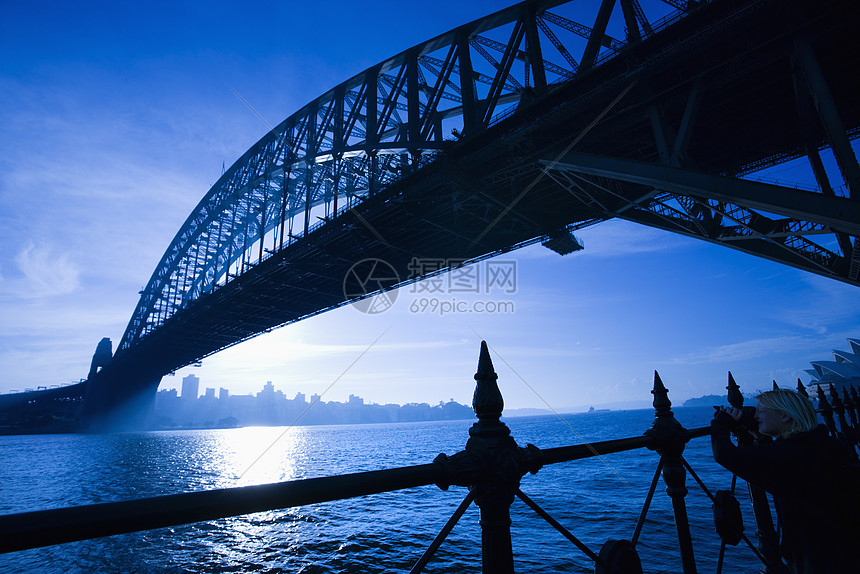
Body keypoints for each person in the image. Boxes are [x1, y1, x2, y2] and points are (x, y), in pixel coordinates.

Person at [711, 388, 860, 574]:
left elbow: (725, 455)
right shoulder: (821, 445)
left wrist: (721, 423)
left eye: (760, 411)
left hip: (820, 557)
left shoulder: (790, 455)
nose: (756, 416)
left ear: (784, 416)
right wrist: (751, 422)